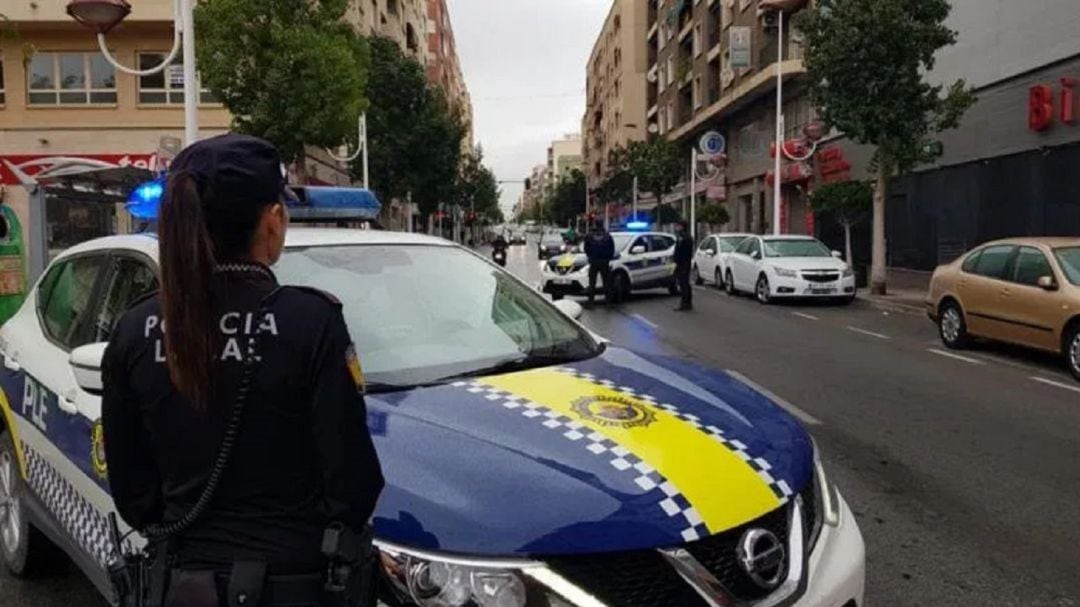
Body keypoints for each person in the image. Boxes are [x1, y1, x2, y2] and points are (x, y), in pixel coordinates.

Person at [102, 134, 384, 607]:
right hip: (297, 586)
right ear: (272, 222)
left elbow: (134, 495)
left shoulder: (134, 329)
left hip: (182, 586)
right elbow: (352, 486)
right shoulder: (311, 322)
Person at [583, 222, 615, 305]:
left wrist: (590, 256)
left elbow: (586, 248)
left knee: (592, 282)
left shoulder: (589, 236)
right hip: (604, 262)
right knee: (606, 282)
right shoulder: (607, 236)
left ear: (595, 225)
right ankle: (608, 301)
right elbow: (612, 249)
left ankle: (591, 301)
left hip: (594, 261)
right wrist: (608, 258)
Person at [673, 221, 695, 311]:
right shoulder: (683, 236)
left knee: (683, 284)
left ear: (682, 227)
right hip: (683, 263)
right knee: (685, 283)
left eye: (678, 226)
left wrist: (678, 259)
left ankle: (685, 303)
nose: (676, 227)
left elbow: (682, 250)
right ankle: (688, 303)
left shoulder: (684, 237)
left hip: (683, 263)